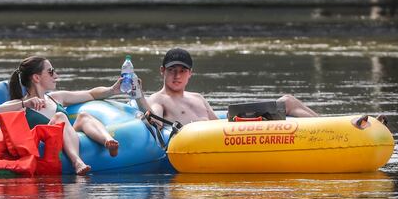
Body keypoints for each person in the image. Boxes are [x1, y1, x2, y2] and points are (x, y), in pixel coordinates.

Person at [0, 56, 122, 175]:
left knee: (84, 116)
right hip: (46, 145)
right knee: (60, 117)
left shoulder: (57, 98)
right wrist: (25, 104)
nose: (56, 76)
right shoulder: (21, 104)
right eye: (51, 72)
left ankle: (108, 141)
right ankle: (76, 161)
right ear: (36, 77)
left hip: (69, 137)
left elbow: (91, 94)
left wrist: (112, 90)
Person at [135, 48, 318, 126]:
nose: (177, 75)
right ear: (162, 71)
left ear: (190, 73)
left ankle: (335, 127)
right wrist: (139, 97)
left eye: (182, 70)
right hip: (201, 143)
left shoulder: (197, 97)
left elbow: (219, 123)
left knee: (287, 101)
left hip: (226, 134)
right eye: (172, 70)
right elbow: (156, 121)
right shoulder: (159, 99)